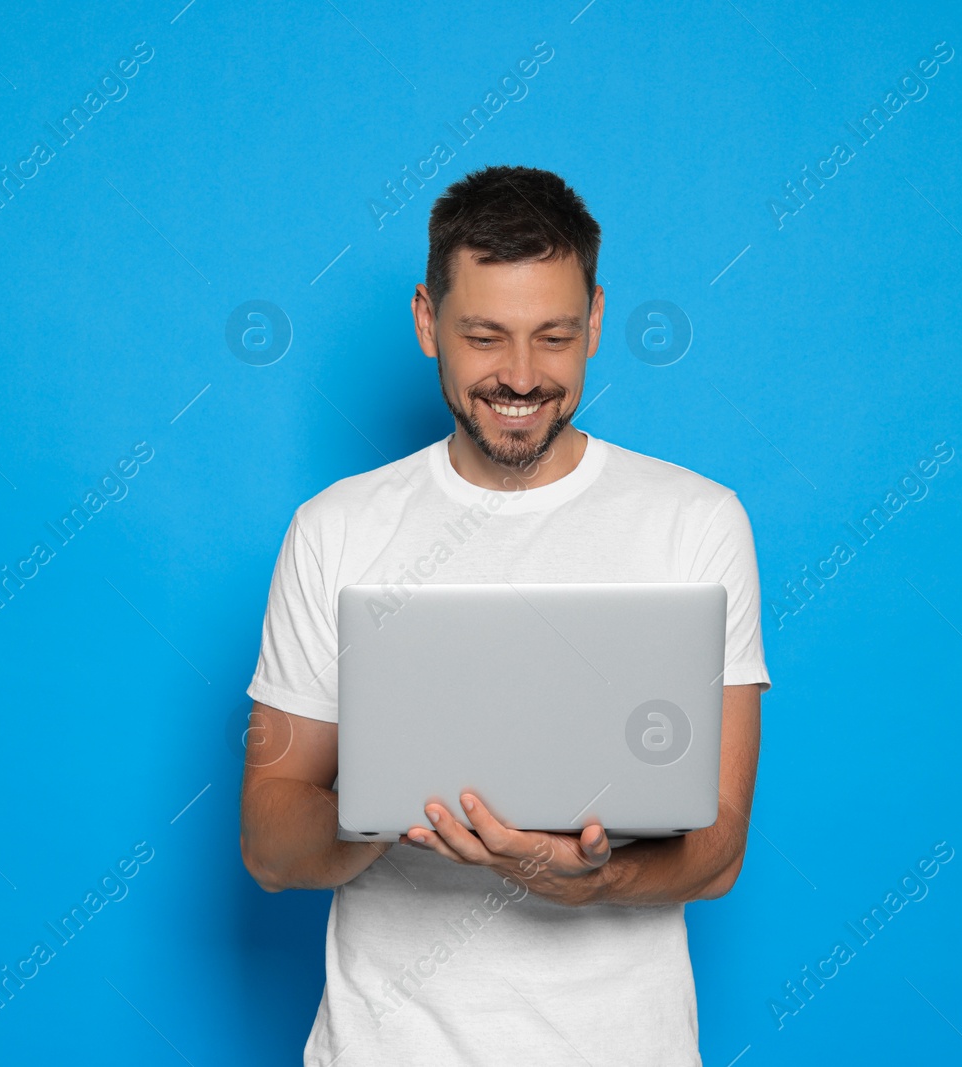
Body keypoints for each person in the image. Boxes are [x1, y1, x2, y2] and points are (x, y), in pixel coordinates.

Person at [239, 164, 771, 1065]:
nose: (520, 376)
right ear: (426, 322)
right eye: (485, 336)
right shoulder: (334, 529)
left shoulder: (697, 521)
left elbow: (718, 850)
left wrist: (588, 886)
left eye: (554, 337)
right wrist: (384, 800)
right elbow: (269, 846)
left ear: (597, 321)